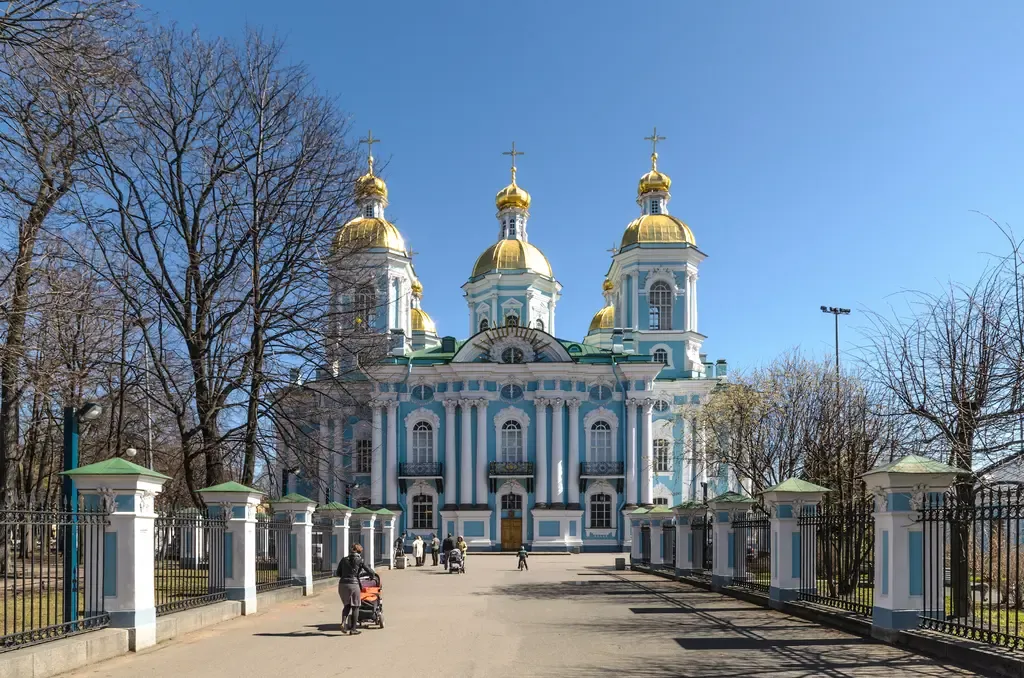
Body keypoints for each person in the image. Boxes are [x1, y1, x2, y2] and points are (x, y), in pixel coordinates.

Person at [336, 543, 376, 635]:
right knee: (355, 606)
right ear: (359, 551)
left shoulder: (344, 559)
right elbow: (370, 571)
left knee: (347, 605)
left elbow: (338, 573)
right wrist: (372, 576)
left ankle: (343, 622)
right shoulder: (359, 560)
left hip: (342, 584)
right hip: (353, 585)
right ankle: (353, 629)